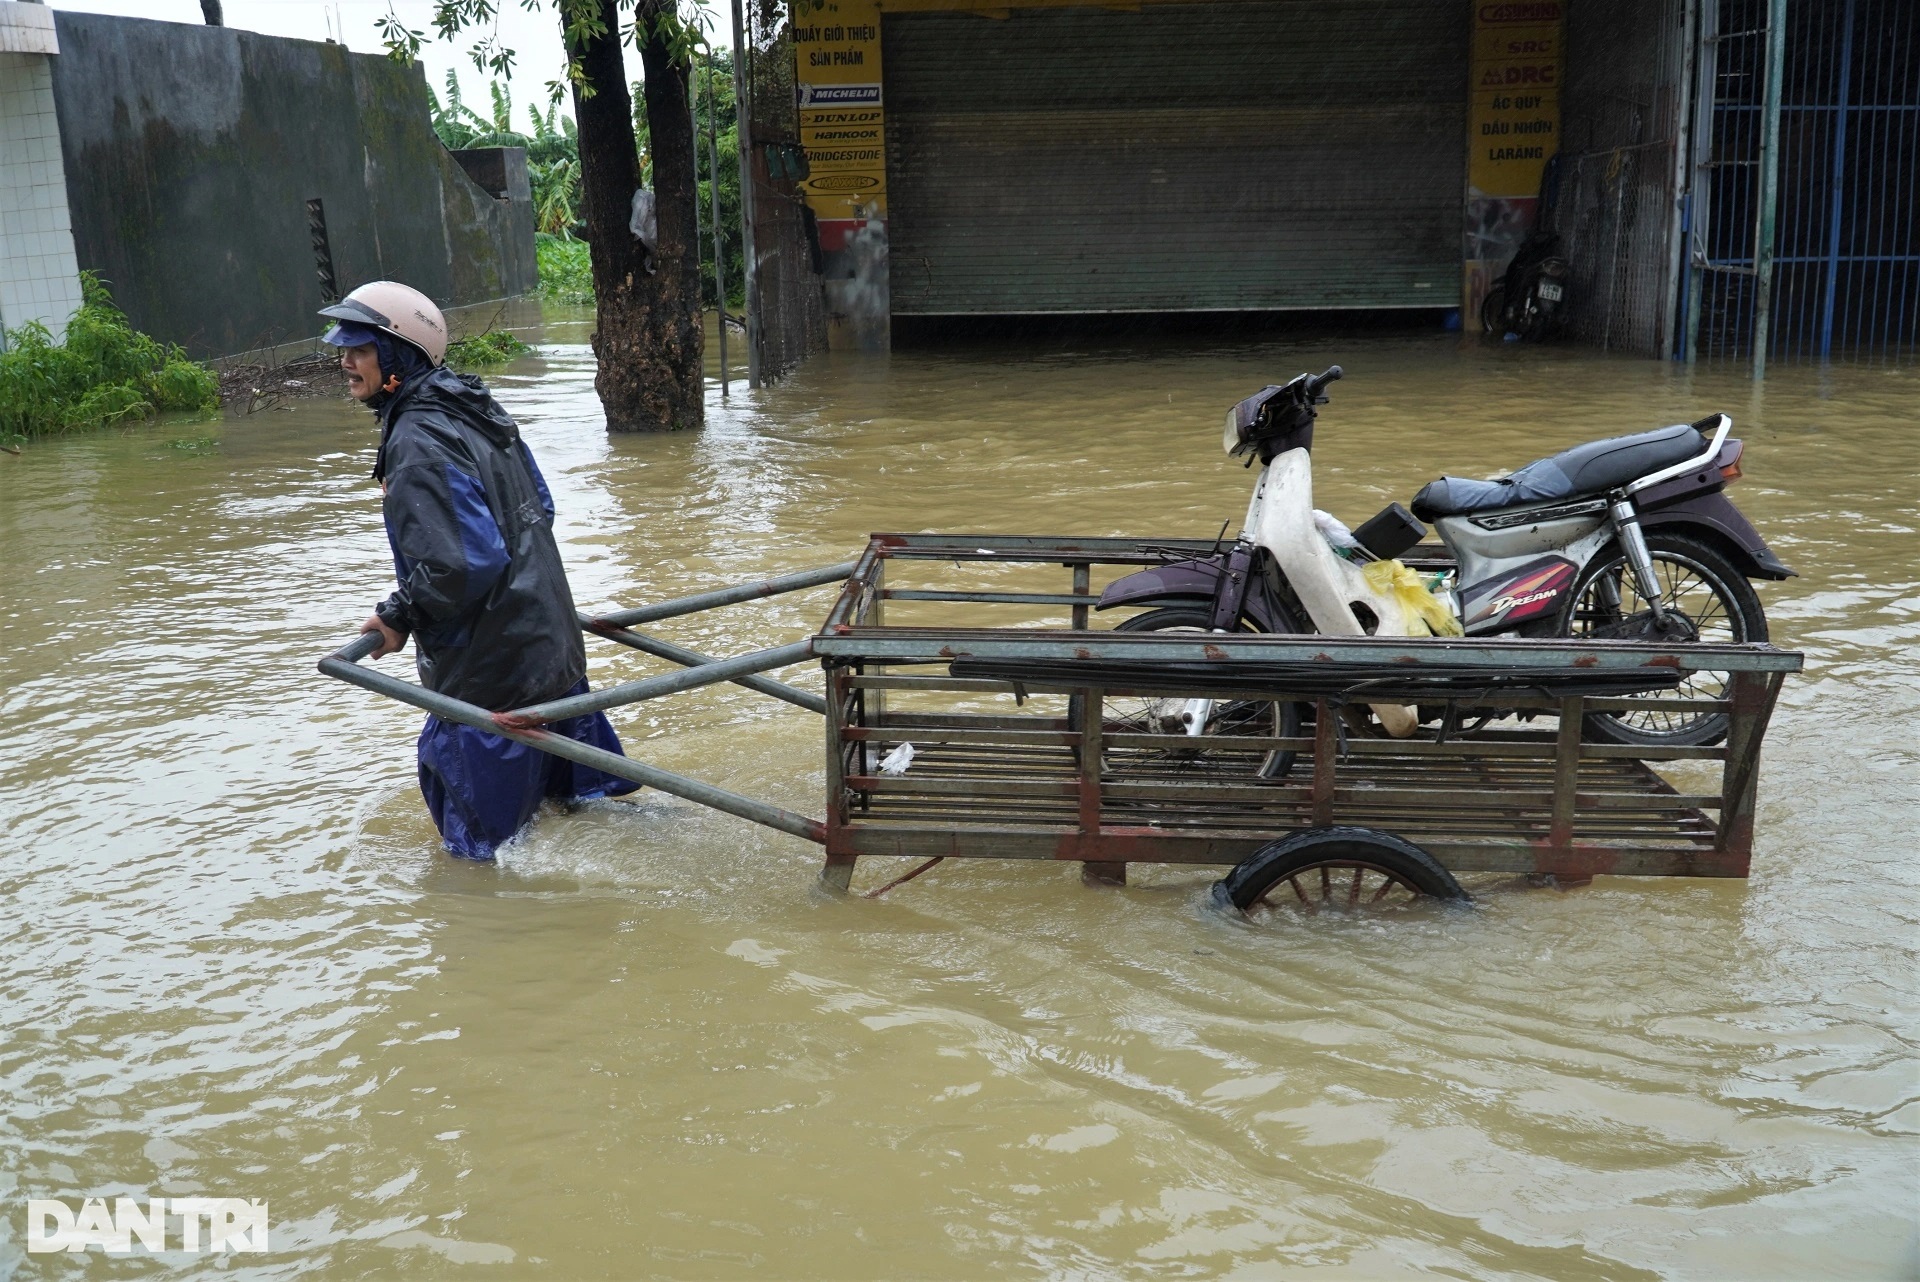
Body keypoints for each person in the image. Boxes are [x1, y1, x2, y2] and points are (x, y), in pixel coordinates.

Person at [321, 281, 638, 859]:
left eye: (359, 349)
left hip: (492, 679)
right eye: (342, 348)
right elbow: (537, 507)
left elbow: (458, 565)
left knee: (482, 862)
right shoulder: (473, 407)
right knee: (580, 820)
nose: (344, 361)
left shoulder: (417, 437)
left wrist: (399, 613)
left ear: (399, 355)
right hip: (552, 649)